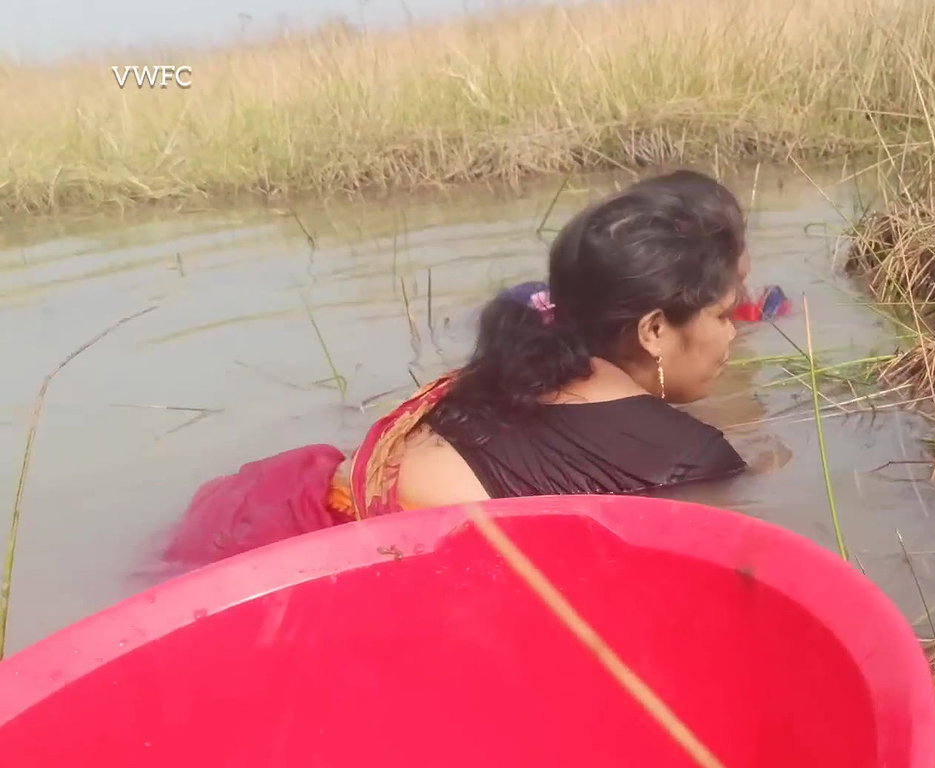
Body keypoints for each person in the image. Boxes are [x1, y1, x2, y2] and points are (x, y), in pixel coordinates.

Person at [163, 170, 753, 565]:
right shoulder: (690, 457)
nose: (731, 336)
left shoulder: (516, 366)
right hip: (322, 572)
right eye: (724, 315)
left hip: (265, 510)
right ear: (653, 329)